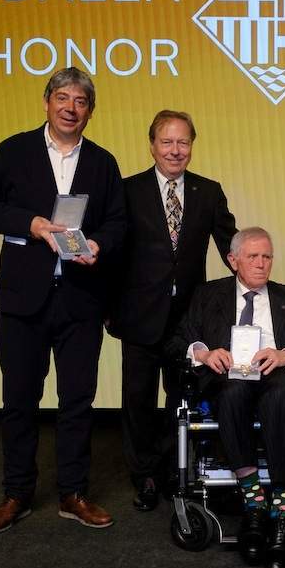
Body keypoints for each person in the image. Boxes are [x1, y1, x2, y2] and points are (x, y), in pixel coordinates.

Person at [0, 67, 125, 534]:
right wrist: (30, 224)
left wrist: (99, 244)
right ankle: (15, 494)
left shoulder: (102, 161)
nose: (70, 108)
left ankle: (73, 494)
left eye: (80, 101)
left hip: (80, 299)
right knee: (19, 399)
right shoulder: (14, 150)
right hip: (22, 298)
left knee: (78, 399)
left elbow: (117, 222)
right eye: (62, 98)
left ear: (89, 111)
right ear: (46, 102)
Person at [167, 227, 285, 568]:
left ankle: (284, 511)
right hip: (229, 376)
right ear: (233, 260)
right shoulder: (208, 295)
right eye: (253, 256)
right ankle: (254, 500)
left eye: (267, 257)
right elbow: (177, 341)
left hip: (277, 375)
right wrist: (203, 351)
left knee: (277, 394)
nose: (261, 264)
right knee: (231, 391)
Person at [109, 110, 236, 512]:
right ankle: (143, 475)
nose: (175, 150)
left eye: (183, 142)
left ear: (191, 146)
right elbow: (113, 255)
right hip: (139, 315)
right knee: (137, 398)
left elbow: (231, 246)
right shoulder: (127, 191)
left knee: (180, 397)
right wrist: (109, 308)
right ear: (152, 145)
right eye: (167, 142)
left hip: (187, 321)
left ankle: (171, 468)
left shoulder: (209, 191)